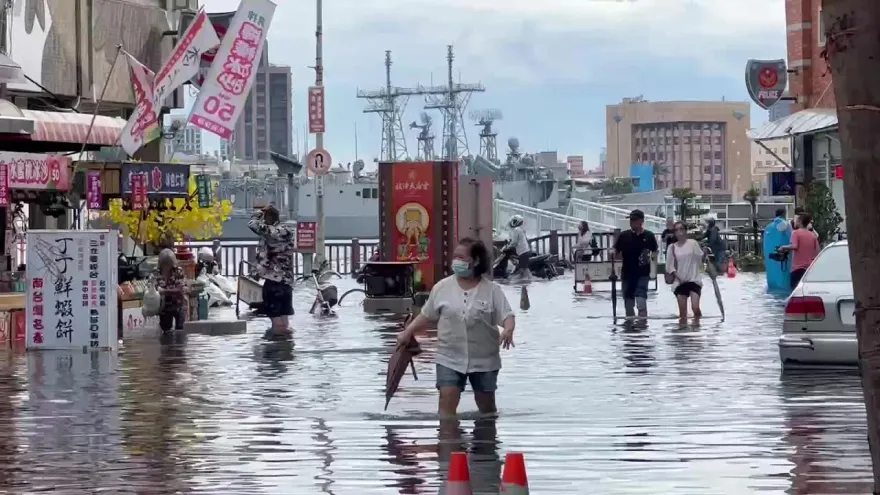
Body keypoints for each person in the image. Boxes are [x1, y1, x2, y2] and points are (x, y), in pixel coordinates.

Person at [397, 238, 515, 417]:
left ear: (475, 261)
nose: (456, 261)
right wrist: (407, 332)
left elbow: (507, 315)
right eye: (455, 257)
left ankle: (486, 442)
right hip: (449, 357)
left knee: (487, 408)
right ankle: (448, 441)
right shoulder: (442, 288)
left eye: (461, 257)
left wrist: (508, 330)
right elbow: (426, 315)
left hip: (484, 359)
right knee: (446, 403)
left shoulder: (492, 290)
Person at [248, 205, 296, 339]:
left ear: (268, 217)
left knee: (276, 320)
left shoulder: (276, 231)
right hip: (285, 282)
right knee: (284, 319)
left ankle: (278, 349)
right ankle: (287, 348)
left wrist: (256, 215)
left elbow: (253, 225)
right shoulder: (285, 230)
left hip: (275, 280)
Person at [611, 210, 659, 318]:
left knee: (641, 302)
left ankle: (642, 326)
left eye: (634, 220)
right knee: (628, 304)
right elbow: (616, 251)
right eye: (631, 220)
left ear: (641, 221)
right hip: (627, 274)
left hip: (643, 274)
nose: (631, 222)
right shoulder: (624, 236)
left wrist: (652, 258)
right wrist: (613, 253)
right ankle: (630, 327)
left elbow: (655, 251)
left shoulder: (649, 236)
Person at [665, 221, 707, 320]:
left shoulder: (693, 243)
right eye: (676, 230)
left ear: (685, 231)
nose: (679, 232)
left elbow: (700, 259)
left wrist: (705, 253)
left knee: (695, 308)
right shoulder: (672, 248)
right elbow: (669, 266)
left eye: (681, 229)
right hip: (679, 282)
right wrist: (678, 276)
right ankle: (683, 332)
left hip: (694, 280)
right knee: (683, 314)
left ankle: (697, 326)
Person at [780, 212, 821, 289]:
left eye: (796, 220)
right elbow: (818, 251)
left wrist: (783, 247)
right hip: (809, 269)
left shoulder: (795, 233)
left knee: (795, 292)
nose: (795, 222)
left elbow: (795, 246)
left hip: (798, 269)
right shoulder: (812, 235)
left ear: (800, 221)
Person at [154, 248, 186, 333]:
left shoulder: (178, 271)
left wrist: (164, 291)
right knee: (166, 330)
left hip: (178, 304)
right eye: (164, 263)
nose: (166, 266)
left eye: (168, 263)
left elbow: (180, 290)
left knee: (180, 330)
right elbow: (153, 288)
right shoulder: (156, 273)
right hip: (164, 307)